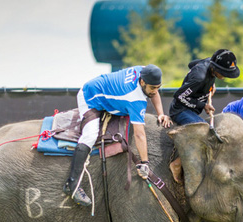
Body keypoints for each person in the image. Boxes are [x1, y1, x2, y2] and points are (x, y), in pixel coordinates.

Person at [64, 64, 172, 207]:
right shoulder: (135, 99)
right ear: (142, 82)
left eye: (158, 87)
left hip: (103, 89)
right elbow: (139, 135)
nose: (155, 91)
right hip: (90, 97)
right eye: (152, 87)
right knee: (90, 135)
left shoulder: (144, 70)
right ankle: (72, 185)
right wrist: (144, 163)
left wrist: (161, 114)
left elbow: (153, 92)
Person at [169, 49, 240, 125]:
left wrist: (210, 84)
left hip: (193, 110)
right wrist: (203, 105)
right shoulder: (199, 78)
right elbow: (179, 95)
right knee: (203, 130)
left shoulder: (210, 62)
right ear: (215, 68)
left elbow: (191, 64)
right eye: (224, 73)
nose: (226, 76)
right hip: (180, 110)